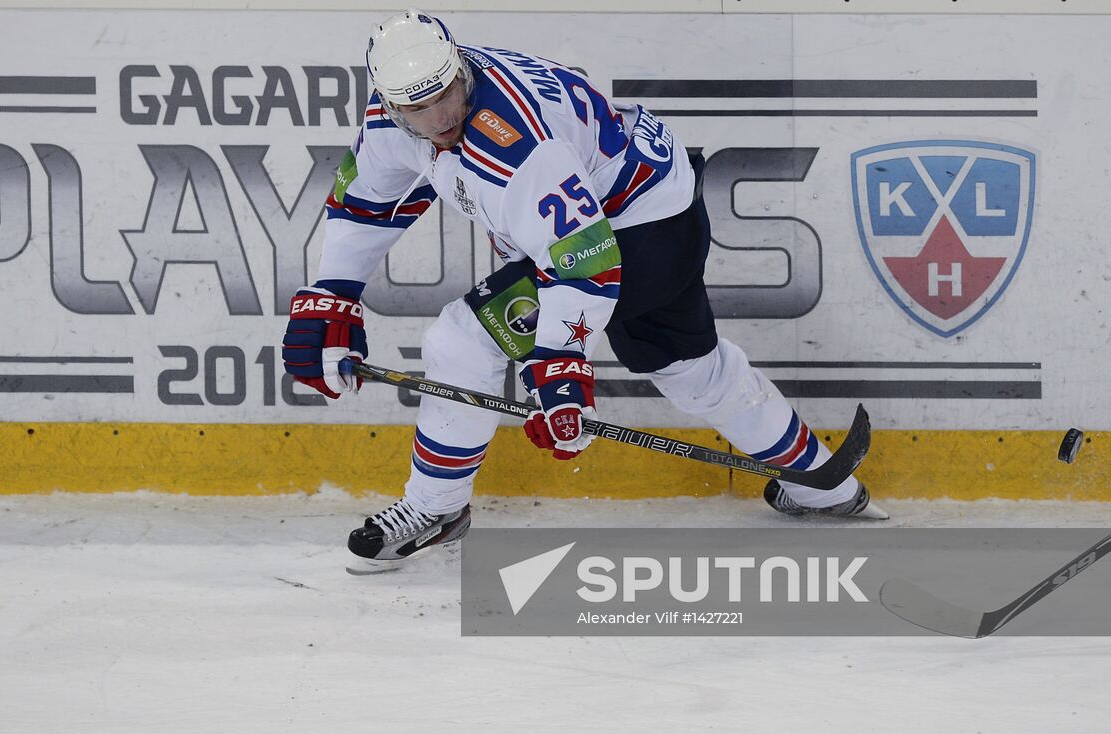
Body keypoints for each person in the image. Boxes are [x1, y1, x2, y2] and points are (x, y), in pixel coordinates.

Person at [282, 9, 888, 565]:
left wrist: (561, 367)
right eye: (418, 110)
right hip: (662, 198)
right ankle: (828, 483)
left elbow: (586, 258)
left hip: (635, 231)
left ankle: (435, 507)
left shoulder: (515, 144)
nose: (440, 119)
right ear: (390, 107)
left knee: (462, 341)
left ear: (460, 69)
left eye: (448, 95)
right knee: (690, 369)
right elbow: (365, 202)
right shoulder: (401, 112)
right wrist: (332, 292)